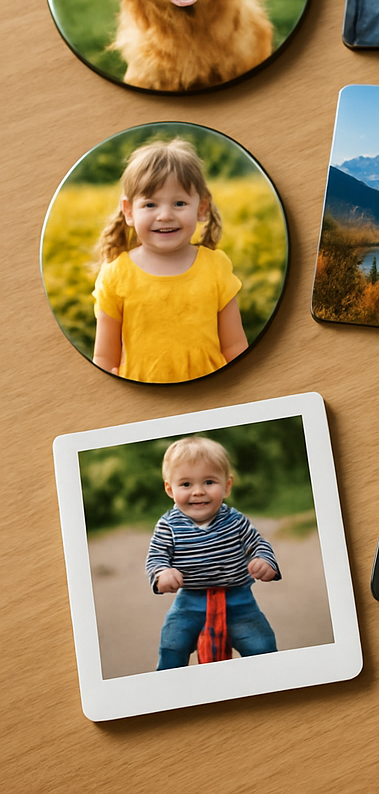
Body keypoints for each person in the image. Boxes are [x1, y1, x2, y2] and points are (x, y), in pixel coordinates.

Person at [91, 138, 248, 383]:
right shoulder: (115, 275)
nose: (165, 215)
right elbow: (103, 359)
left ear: (201, 208)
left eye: (179, 203)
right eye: (150, 204)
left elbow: (236, 347)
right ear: (129, 211)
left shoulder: (216, 267)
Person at [146, 436, 280, 670]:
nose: (198, 492)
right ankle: (167, 686)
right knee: (172, 643)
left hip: (239, 600)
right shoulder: (169, 525)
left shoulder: (235, 521)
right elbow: (157, 556)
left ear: (227, 486)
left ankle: (271, 679)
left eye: (209, 482)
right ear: (170, 488)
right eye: (186, 484)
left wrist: (263, 560)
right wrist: (162, 573)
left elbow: (258, 543)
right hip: (190, 601)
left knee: (261, 644)